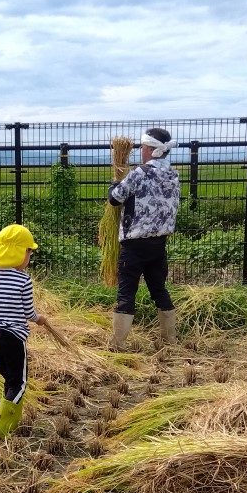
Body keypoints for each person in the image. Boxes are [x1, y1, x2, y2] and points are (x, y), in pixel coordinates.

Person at [107, 127, 180, 350]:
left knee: (127, 292)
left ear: (149, 149)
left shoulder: (140, 173)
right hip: (159, 244)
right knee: (159, 289)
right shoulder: (173, 174)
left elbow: (115, 199)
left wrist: (113, 185)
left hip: (135, 245)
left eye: (142, 146)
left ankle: (117, 345)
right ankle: (170, 340)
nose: (140, 150)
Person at [0, 224, 46, 438]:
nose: (29, 256)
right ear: (19, 252)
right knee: (20, 382)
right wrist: (40, 319)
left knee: (9, 378)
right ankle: (2, 427)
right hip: (14, 337)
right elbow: (28, 312)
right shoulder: (23, 280)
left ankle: (9, 422)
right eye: (28, 251)